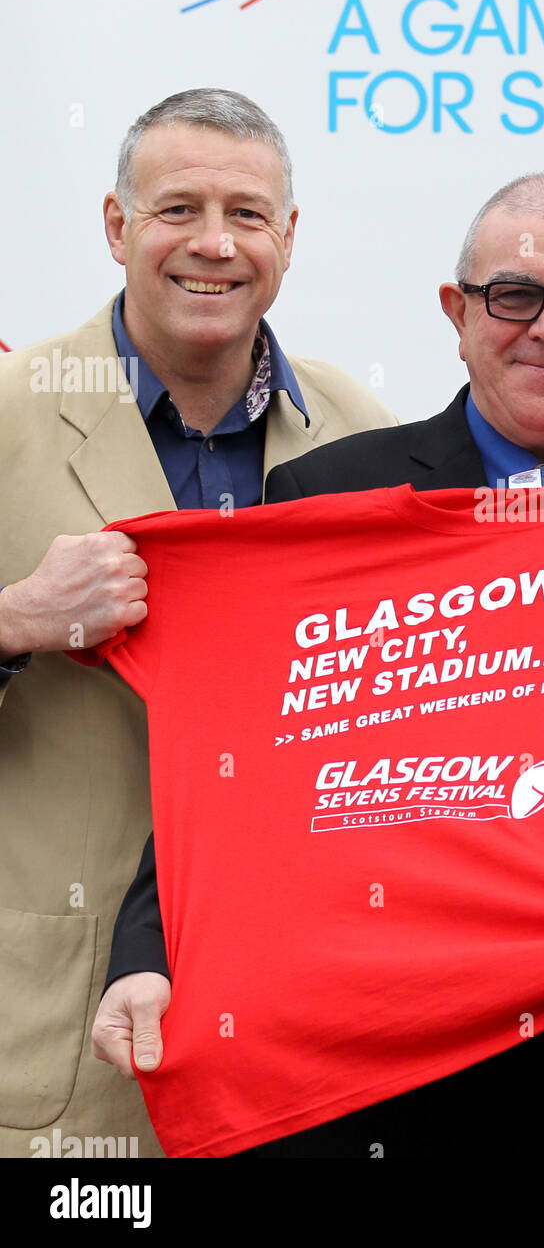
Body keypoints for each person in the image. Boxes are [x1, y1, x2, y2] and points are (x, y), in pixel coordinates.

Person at [95, 170, 544, 1158]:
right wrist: (147, 954)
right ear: (457, 314)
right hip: (384, 1086)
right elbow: (234, 764)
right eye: (513, 295)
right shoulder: (325, 499)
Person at [0, 88, 396, 1158]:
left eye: (247, 214)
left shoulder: (367, 437)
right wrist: (14, 620)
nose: (214, 245)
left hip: (300, 1024)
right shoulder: (8, 412)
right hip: (58, 1024)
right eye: (178, 209)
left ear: (290, 238)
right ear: (117, 226)